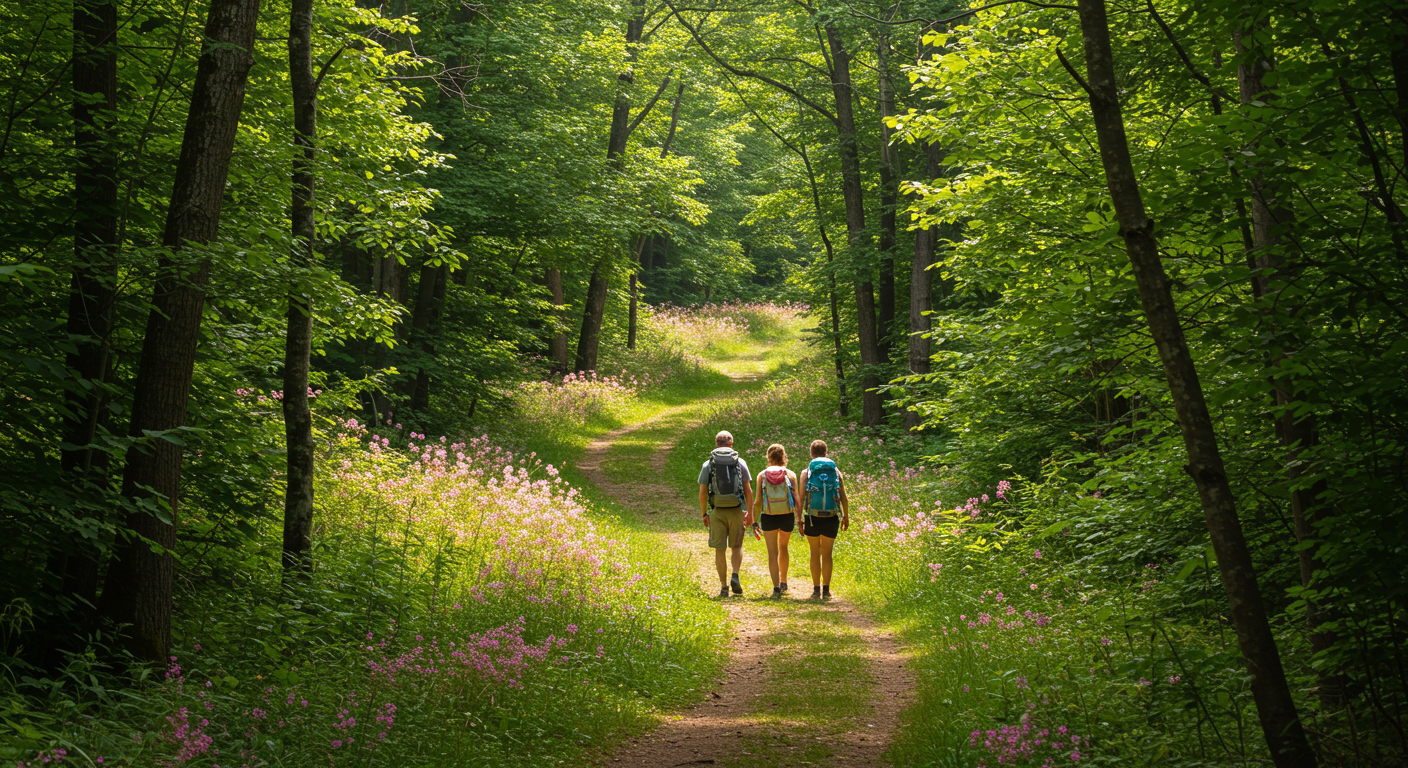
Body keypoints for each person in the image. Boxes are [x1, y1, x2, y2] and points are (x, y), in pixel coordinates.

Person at [698, 430, 754, 597]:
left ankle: (723, 586)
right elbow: (748, 491)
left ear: (717, 444)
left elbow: (703, 493)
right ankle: (735, 574)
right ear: (731, 444)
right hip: (736, 510)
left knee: (720, 549)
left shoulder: (708, 464)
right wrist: (750, 513)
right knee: (736, 546)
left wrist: (704, 513)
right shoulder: (740, 462)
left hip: (718, 511)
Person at [797, 439, 848, 599]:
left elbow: (801, 497)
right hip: (831, 517)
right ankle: (826, 590)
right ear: (826, 452)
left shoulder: (806, 472)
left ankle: (815, 590)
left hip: (812, 517)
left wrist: (799, 519)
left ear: (811, 453)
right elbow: (843, 496)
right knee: (827, 554)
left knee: (814, 553)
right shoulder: (836, 471)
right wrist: (845, 516)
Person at [752, 443, 798, 598]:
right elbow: (797, 498)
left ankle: (776, 587)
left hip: (768, 516)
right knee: (783, 547)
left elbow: (758, 500)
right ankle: (784, 581)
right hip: (786, 515)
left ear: (768, 457)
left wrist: (754, 521)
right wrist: (799, 518)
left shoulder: (762, 475)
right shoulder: (790, 474)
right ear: (784, 457)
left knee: (772, 553)